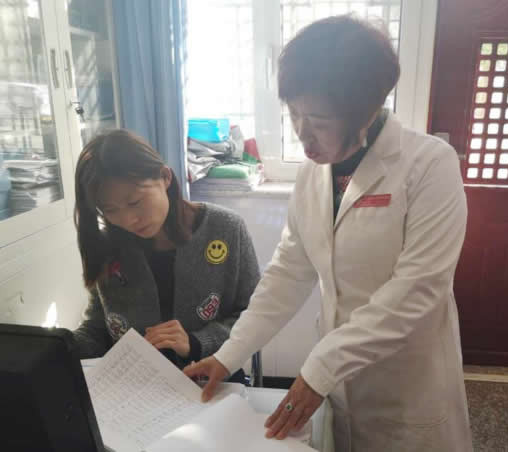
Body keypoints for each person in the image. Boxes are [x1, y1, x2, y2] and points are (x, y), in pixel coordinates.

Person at [184, 15, 473, 451]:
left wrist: (320, 369)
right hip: (339, 386)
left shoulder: (429, 165)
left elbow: (418, 289)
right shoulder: (313, 175)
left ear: (366, 110)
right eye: (294, 114)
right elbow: (288, 273)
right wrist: (229, 355)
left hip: (407, 384)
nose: (303, 134)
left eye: (318, 120)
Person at [72, 129, 260, 382]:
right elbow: (98, 325)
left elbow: (254, 316)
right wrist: (62, 347)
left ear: (165, 177)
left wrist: (196, 342)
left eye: (135, 202)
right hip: (135, 386)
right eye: (110, 210)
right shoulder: (109, 243)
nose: (127, 220)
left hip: (210, 378)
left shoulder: (225, 229)